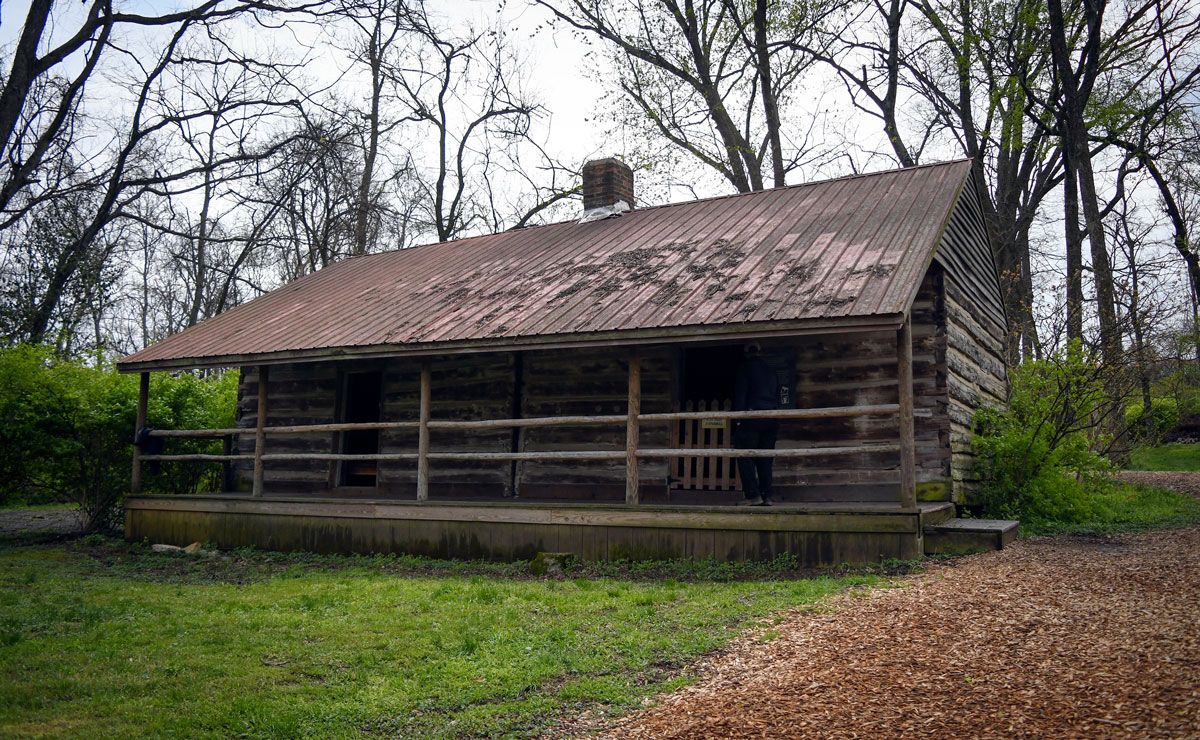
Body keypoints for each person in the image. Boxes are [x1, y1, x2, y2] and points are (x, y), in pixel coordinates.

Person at [733, 342, 779, 506]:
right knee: (765, 458)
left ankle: (753, 495)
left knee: (745, 456)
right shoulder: (770, 369)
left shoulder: (745, 369)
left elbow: (741, 394)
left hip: (751, 416)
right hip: (771, 416)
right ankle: (767, 495)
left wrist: (738, 418)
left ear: (746, 353)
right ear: (760, 352)